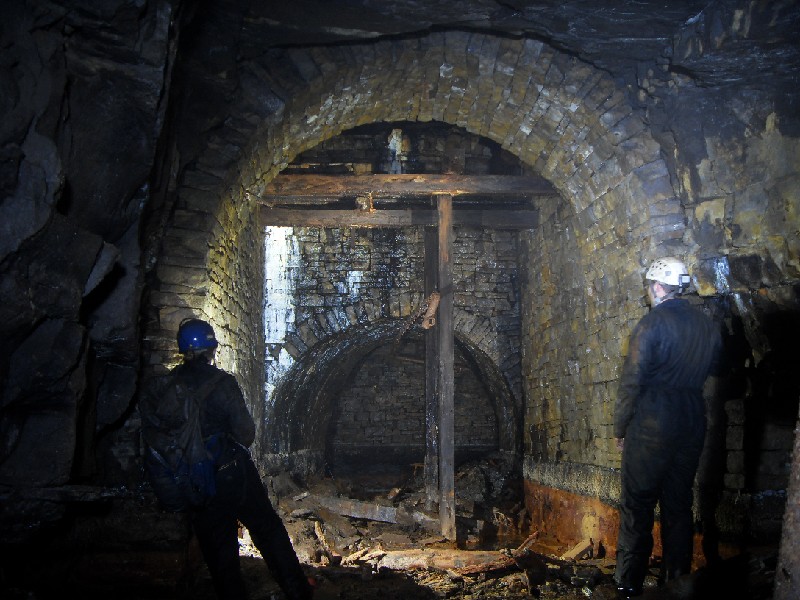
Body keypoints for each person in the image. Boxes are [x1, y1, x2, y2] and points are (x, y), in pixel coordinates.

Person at [149, 318, 314, 600]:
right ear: (211, 348)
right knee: (267, 529)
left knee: (218, 551)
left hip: (195, 480)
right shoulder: (222, 383)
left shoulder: (167, 387)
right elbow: (245, 432)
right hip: (230, 472)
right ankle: (297, 591)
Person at [613, 257, 722, 598]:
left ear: (659, 286)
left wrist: (620, 426)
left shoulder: (651, 324)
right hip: (692, 417)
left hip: (652, 420)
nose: (648, 293)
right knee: (678, 503)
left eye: (649, 286)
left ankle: (627, 584)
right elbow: (719, 368)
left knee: (637, 504)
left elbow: (632, 380)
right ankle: (676, 583)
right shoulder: (707, 325)